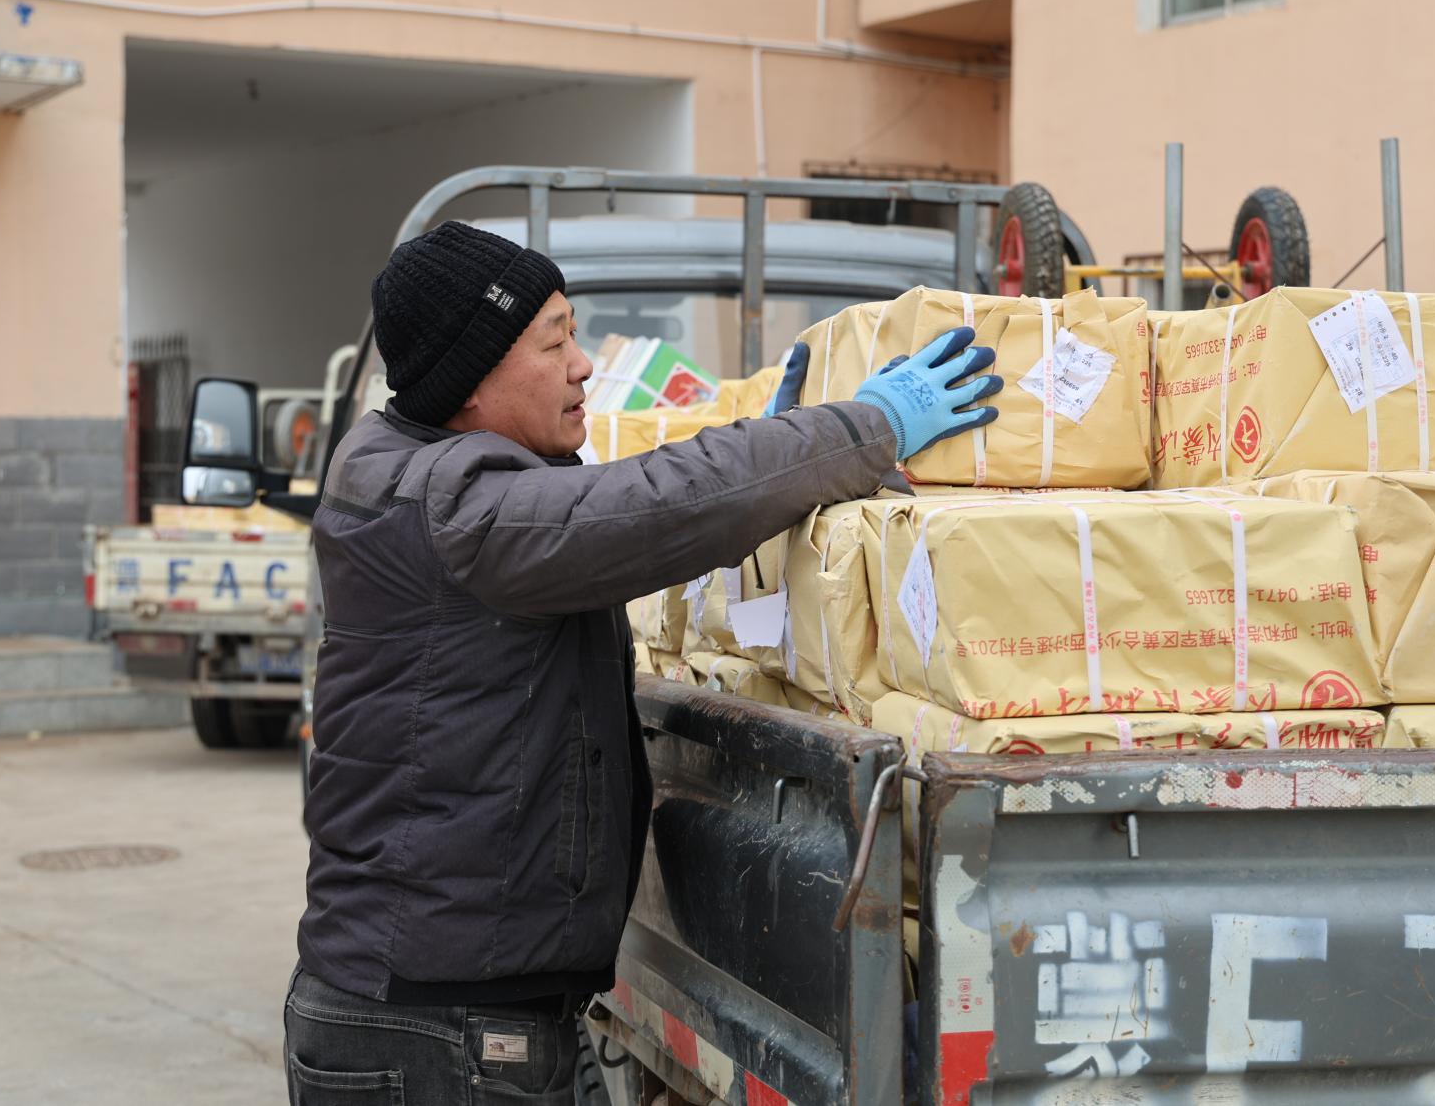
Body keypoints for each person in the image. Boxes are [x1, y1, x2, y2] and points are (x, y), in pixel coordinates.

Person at [284, 221, 1001, 1103]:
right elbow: (651, 508)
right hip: (438, 1037)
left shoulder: (405, 471)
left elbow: (616, 503)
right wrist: (861, 429)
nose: (583, 364)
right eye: (555, 341)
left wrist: (776, 451)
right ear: (469, 380)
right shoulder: (456, 509)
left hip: (428, 1010)